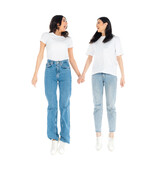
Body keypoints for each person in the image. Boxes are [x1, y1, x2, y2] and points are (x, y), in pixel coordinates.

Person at [32, 15, 81, 155]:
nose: (66, 23)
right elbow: (40, 55)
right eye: (64, 20)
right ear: (57, 23)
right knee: (52, 104)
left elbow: (72, 58)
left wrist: (79, 74)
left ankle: (64, 139)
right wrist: (35, 74)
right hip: (50, 70)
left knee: (65, 104)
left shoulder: (68, 39)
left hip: (65, 70)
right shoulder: (46, 36)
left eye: (66, 21)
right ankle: (53, 138)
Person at [78, 17, 125, 152]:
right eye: (96, 23)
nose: (96, 25)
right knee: (97, 106)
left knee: (111, 106)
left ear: (106, 24)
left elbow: (119, 58)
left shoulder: (115, 39)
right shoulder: (94, 41)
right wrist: (83, 74)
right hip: (96, 75)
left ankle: (111, 137)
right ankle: (98, 137)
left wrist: (123, 75)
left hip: (111, 75)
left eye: (99, 23)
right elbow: (89, 58)